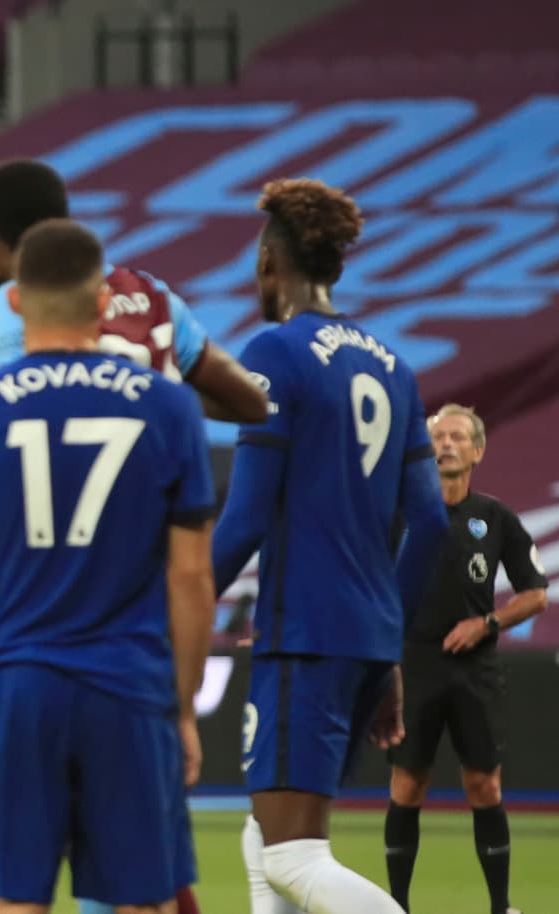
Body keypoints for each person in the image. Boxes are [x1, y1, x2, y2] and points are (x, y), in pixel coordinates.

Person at [0, 157, 262, 914]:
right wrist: (185, 707)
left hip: (19, 680)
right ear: (104, 299)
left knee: (12, 901)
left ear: (16, 297)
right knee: (144, 900)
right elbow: (193, 580)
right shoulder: (168, 409)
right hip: (129, 678)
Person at [0, 157, 266, 629]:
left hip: (69, 563)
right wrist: (156, 397)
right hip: (154, 551)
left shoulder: (18, 298)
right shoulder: (153, 296)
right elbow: (252, 403)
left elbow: (35, 426)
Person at [210, 178, 449, 914]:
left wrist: (169, 612)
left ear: (266, 262)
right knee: (269, 836)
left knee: (291, 855)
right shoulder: (389, 363)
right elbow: (431, 523)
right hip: (366, 639)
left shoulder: (276, 354)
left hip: (305, 634)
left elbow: (245, 519)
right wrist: (385, 642)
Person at [384, 404, 546, 914]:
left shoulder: (496, 518)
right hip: (412, 665)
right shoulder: (397, 512)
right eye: (437, 436)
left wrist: (487, 623)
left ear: (477, 450)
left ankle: (500, 907)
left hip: (475, 668)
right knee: (408, 783)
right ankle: (398, 906)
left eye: (457, 436)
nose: (446, 444)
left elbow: (535, 593)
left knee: (483, 782)